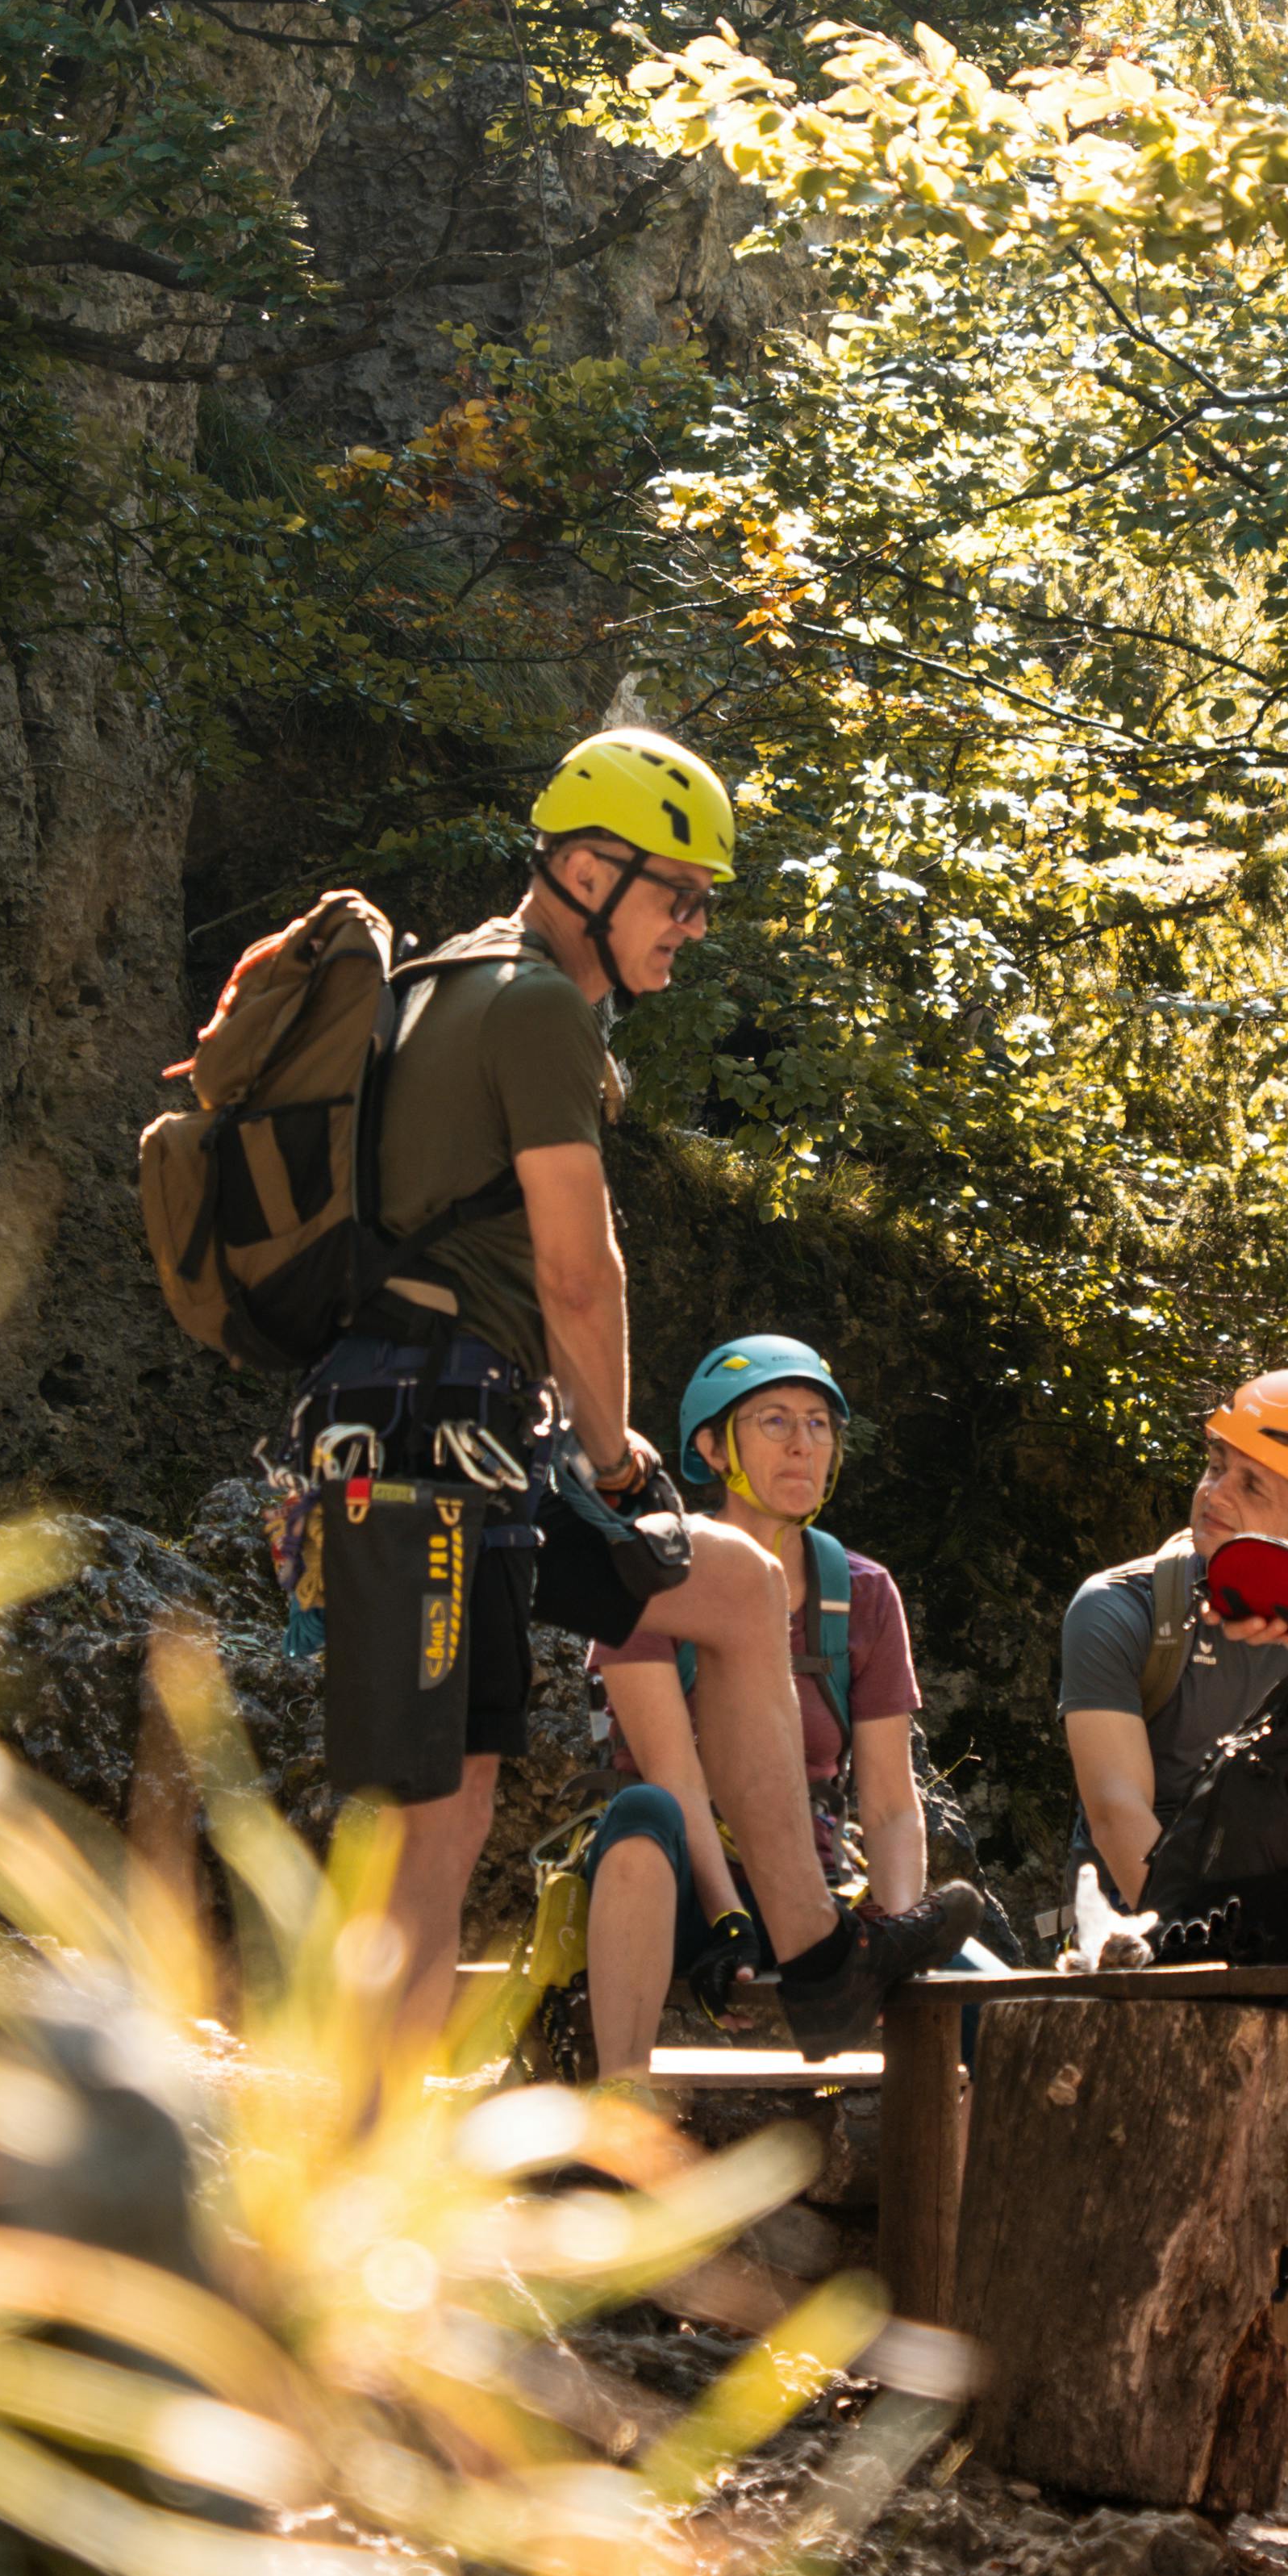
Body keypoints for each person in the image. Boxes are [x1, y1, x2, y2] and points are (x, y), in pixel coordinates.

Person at [302, 727, 988, 2041]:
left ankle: (819, 1954)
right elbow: (577, 1269)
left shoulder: (457, 986)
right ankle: (349, 2167)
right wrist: (618, 1460)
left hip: (461, 1440)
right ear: (591, 868)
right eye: (680, 894)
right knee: (430, 1832)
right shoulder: (535, 1005)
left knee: (727, 1586)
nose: (693, 925)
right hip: (425, 1451)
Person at [568, 1336, 930, 2081]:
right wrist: (726, 1916)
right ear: (713, 1446)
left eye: (819, 1424)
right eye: (773, 1421)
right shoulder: (650, 1574)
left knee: (971, 1988)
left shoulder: (863, 1594)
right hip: (673, 1887)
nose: (803, 1445)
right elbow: (673, 1773)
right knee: (640, 1812)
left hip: (807, 1888)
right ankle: (620, 2104)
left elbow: (892, 1803)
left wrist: (894, 1938)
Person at [1057, 1368, 1288, 1927]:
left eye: (1252, 1485)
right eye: (1216, 1467)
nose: (1216, 1492)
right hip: (1135, 1919)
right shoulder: (1120, 1608)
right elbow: (1117, 1814)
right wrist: (1198, 1941)